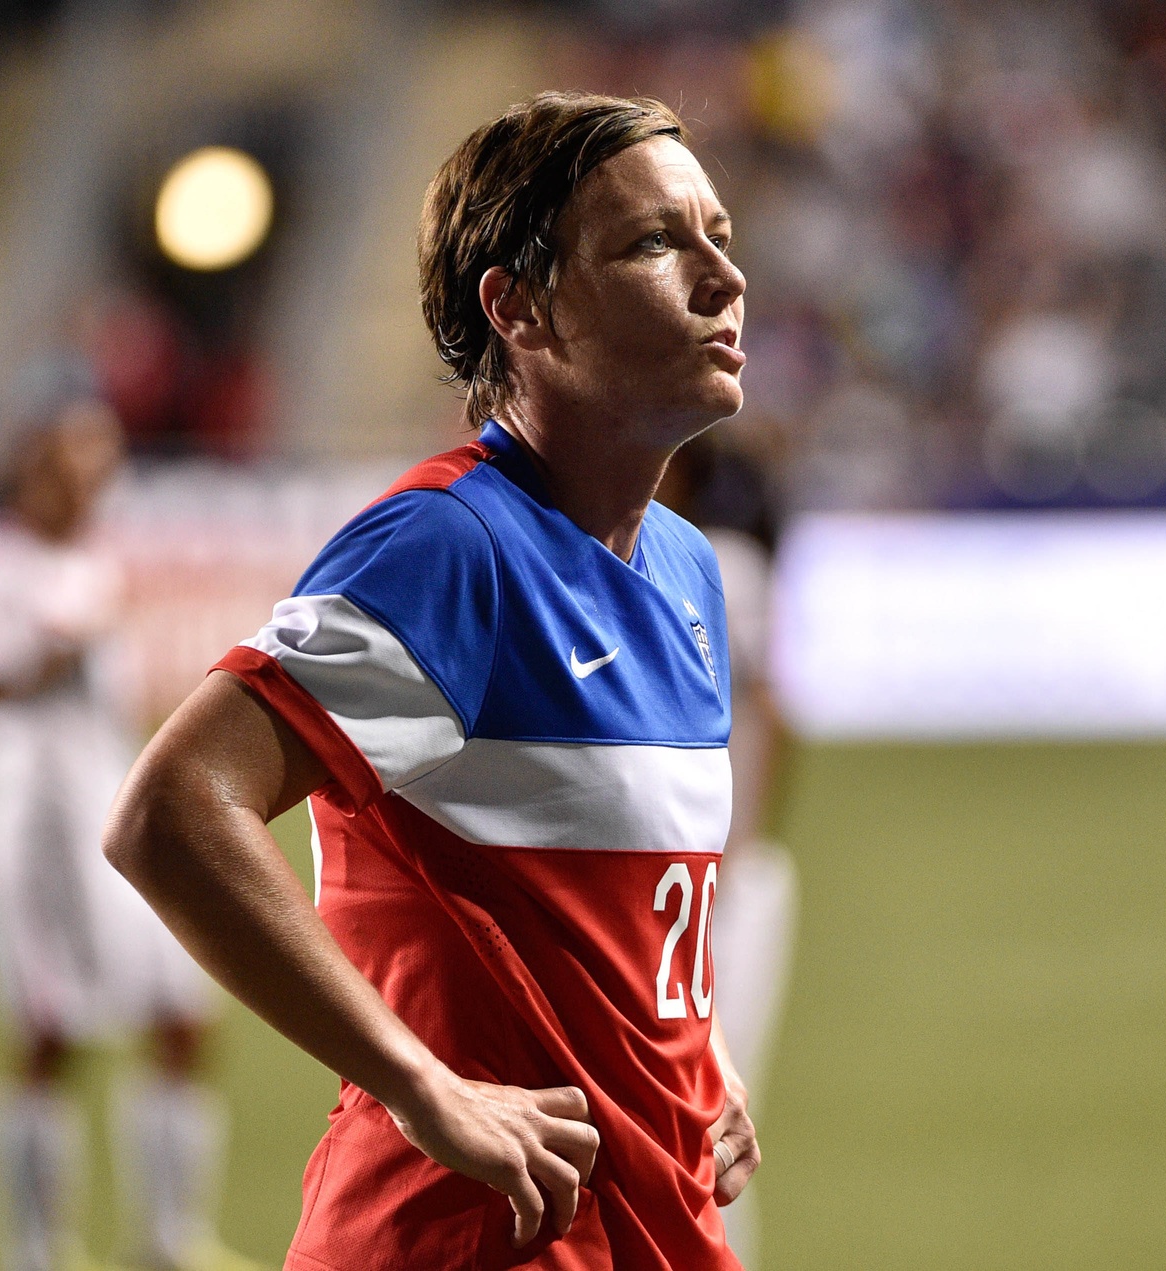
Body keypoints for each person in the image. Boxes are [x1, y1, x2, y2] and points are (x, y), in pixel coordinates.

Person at [103, 92, 758, 1271]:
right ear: (517, 307)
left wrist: (690, 1061)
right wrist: (419, 1085)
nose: (723, 276)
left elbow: (605, 915)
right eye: (654, 242)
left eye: (718, 233)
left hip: (652, 1229)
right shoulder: (452, 546)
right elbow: (172, 810)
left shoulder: (685, 567)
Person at [0, 398, 254, 1271]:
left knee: (182, 1013)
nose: (94, 478)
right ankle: (36, 1251)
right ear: (34, 469)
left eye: (102, 461)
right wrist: (53, 647)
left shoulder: (89, 559)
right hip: (37, 827)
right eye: (78, 460)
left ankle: (167, 1236)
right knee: (51, 1032)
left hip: (117, 817)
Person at [656, 434, 798, 1270]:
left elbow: (768, 710)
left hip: (716, 879)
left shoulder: (721, 566)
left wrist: (735, 853)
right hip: (668, 874)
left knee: (710, 1112)